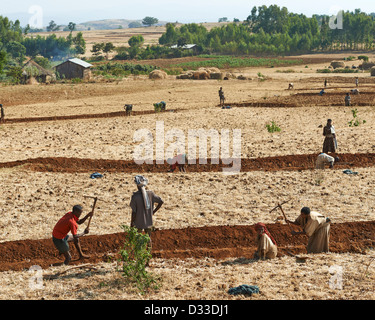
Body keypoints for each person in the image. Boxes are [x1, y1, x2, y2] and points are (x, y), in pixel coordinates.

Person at [130, 175, 163, 249]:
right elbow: (161, 201)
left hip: (138, 223)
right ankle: (148, 255)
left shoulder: (135, 197)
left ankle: (140, 255)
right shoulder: (151, 194)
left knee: (138, 239)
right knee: (148, 239)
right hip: (149, 221)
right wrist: (153, 212)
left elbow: (134, 213)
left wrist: (132, 223)